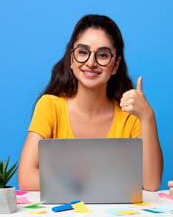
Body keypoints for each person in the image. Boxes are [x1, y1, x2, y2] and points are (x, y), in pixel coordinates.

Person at [18, 14, 163, 191]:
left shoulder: (130, 115)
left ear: (115, 65)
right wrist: (95, 184)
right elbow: (26, 178)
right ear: (71, 59)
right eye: (83, 52)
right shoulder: (50, 106)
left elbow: (151, 183)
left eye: (102, 55)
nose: (91, 62)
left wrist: (147, 116)